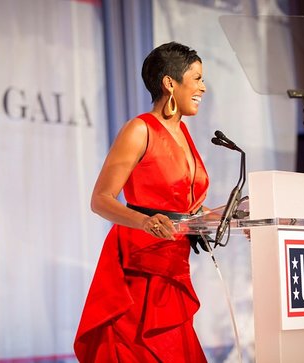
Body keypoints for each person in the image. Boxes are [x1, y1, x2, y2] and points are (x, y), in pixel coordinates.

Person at [73, 41, 209, 362]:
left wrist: (229, 217)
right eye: (197, 78)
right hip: (139, 274)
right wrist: (145, 222)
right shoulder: (139, 130)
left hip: (173, 271)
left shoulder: (184, 133)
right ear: (169, 83)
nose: (203, 87)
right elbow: (100, 200)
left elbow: (184, 209)